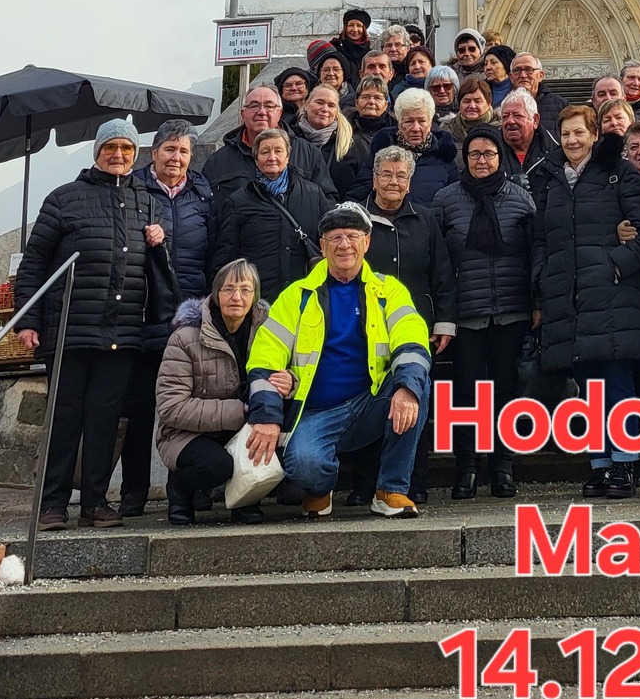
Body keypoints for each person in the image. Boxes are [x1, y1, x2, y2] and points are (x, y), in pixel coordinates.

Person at [16, 118, 174, 530]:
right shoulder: (64, 198)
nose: (118, 155)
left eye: (126, 148)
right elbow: (34, 264)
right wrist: (28, 321)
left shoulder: (147, 201)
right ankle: (52, 504)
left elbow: (156, 270)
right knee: (65, 418)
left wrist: (160, 245)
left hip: (122, 332)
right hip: (69, 329)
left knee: (105, 420)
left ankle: (96, 503)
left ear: (135, 154)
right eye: (110, 148)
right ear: (97, 152)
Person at [243, 202, 431, 518]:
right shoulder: (296, 296)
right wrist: (266, 416)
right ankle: (322, 488)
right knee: (304, 468)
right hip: (317, 412)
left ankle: (390, 490)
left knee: (416, 385)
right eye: (335, 237)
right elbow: (264, 358)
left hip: (371, 402)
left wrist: (407, 388)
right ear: (323, 245)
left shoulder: (389, 291)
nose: (344, 245)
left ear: (366, 242)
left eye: (352, 236)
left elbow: (412, 341)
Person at [530, 104, 640, 498]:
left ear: (594, 134)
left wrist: (616, 265)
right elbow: (541, 239)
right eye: (566, 134)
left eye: (579, 132)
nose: (572, 140)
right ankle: (600, 464)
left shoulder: (618, 173)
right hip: (569, 297)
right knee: (588, 387)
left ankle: (625, 462)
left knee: (617, 382)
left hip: (611, 293)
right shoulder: (550, 179)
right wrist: (543, 277)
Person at [120, 121, 218, 516]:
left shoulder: (203, 195)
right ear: (154, 152)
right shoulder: (133, 190)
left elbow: (213, 253)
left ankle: (195, 487)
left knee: (193, 406)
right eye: (169, 150)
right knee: (140, 407)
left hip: (190, 316)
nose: (176, 158)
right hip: (144, 313)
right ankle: (133, 491)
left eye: (183, 152)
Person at [433, 124, 535, 500]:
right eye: (474, 154)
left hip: (511, 309)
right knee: (466, 393)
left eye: (488, 154)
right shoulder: (445, 200)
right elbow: (437, 261)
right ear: (465, 158)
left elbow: (533, 253)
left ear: (499, 157)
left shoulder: (521, 198)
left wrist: (536, 304)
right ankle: (467, 467)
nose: (481, 160)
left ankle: (502, 465)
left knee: (506, 390)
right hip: (465, 313)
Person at [360, 145, 456, 506]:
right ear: (374, 178)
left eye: (401, 175)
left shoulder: (426, 219)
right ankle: (367, 483)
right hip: (366, 328)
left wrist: (444, 322)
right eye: (387, 174)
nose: (394, 181)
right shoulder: (357, 218)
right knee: (369, 402)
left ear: (410, 182)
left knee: (415, 398)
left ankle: (413, 482)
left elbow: (442, 272)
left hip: (416, 329)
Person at [156, 258, 269, 526]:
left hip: (245, 427)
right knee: (216, 466)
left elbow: (291, 374)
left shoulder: (268, 333)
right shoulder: (185, 338)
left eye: (245, 289)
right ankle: (180, 490)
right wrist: (240, 411)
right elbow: (171, 407)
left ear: (255, 296)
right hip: (186, 433)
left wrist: (289, 381)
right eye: (228, 289)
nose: (237, 297)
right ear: (216, 294)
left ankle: (244, 499)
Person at [210, 126, 332, 302]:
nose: (272, 157)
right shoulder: (238, 202)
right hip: (258, 300)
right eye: (265, 152)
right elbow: (225, 258)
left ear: (288, 157)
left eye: (278, 151)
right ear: (256, 159)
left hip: (305, 298)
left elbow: (329, 243)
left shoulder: (313, 195)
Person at [364, 89, 459, 204]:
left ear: (430, 123)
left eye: (422, 121)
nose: (415, 128)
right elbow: (359, 194)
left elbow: (455, 204)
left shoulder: (445, 157)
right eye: (409, 121)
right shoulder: (381, 153)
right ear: (399, 123)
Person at [204, 83, 291, 198]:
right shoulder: (218, 161)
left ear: (279, 113)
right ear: (243, 114)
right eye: (254, 106)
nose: (261, 112)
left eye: (269, 106)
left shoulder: (305, 152)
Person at [293, 82, 361, 193]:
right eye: (319, 102)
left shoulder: (352, 145)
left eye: (331, 105)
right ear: (306, 104)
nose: (325, 109)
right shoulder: (290, 138)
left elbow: (360, 185)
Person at [497, 89, 556, 185]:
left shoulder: (554, 152)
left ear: (535, 120)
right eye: (505, 116)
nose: (510, 121)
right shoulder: (489, 150)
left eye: (517, 115)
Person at [506, 52, 560, 134]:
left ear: (540, 75)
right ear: (511, 77)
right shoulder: (504, 105)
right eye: (517, 70)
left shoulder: (559, 105)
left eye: (529, 70)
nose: (523, 75)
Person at [333, 8, 372, 76]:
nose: (355, 30)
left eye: (359, 26)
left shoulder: (369, 53)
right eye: (351, 25)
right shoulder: (334, 48)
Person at [426, 66, 460, 131]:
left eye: (447, 86)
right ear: (429, 90)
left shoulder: (464, 113)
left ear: (454, 88)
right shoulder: (424, 115)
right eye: (436, 87)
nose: (442, 91)